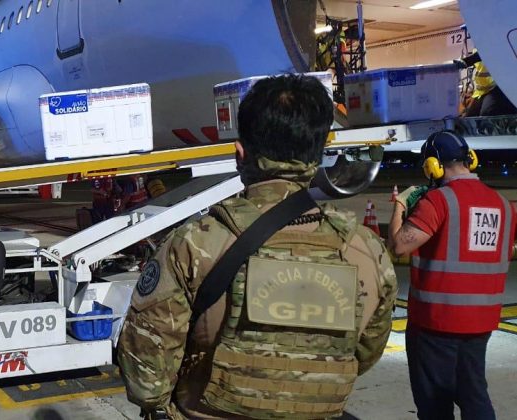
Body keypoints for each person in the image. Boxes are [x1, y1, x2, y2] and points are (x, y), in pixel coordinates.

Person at [117, 74, 397, 419]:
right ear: (319, 152)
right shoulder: (366, 251)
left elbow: (146, 376)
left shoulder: (194, 245)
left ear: (240, 153)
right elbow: (364, 355)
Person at [388, 130, 514, 420]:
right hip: (481, 323)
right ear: (471, 159)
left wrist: (400, 205)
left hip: (435, 323)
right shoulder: (503, 205)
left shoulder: (439, 201)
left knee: (434, 405)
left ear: (433, 165)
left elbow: (398, 246)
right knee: (474, 397)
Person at [456, 49, 517, 117]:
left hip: (497, 88)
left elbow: (487, 52)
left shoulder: (491, 45)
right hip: (482, 90)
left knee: (486, 114)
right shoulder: (477, 47)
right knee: (469, 117)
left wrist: (465, 61)